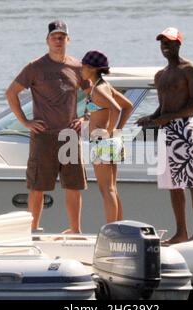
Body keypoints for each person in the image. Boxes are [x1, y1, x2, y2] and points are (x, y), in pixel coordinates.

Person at [6, 20, 88, 233]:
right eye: (54, 37)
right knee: (37, 187)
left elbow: (95, 94)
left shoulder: (78, 67)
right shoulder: (35, 67)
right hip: (44, 136)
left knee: (73, 186)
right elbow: (11, 93)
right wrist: (25, 122)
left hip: (70, 136)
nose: (58, 40)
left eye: (62, 37)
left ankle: (75, 230)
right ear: (47, 40)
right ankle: (33, 229)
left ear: (68, 40)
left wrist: (85, 118)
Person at [136, 27, 193, 244]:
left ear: (178, 44)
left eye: (169, 42)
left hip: (184, 128)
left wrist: (166, 118)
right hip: (166, 130)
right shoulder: (160, 75)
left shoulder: (190, 69)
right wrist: (151, 118)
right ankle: (181, 232)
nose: (165, 46)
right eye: (162, 42)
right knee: (173, 184)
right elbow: (162, 107)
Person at [81, 50, 133, 223]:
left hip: (102, 141)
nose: (81, 68)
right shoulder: (104, 85)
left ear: (91, 68)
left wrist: (109, 133)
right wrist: (116, 130)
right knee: (112, 188)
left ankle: (112, 229)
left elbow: (117, 109)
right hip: (111, 141)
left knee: (106, 189)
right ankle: (118, 226)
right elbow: (128, 106)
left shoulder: (98, 90)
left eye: (83, 65)